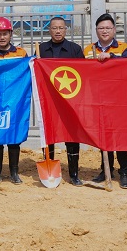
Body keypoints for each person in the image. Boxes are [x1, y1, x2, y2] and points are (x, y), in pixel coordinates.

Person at [83, 13, 127, 188]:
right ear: (96, 30)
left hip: (119, 100)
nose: (104, 31)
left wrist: (112, 57)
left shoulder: (124, 48)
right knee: (103, 136)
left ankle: (125, 172)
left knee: (121, 136)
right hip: (97, 100)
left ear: (114, 30)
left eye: (108, 28)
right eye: (101, 28)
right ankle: (106, 169)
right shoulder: (88, 50)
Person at [38, 16, 85, 186]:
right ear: (49, 30)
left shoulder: (75, 49)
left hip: (69, 101)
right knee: (48, 134)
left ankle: (74, 173)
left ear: (66, 29)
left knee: (71, 135)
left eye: (61, 28)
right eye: (54, 28)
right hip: (48, 101)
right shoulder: (41, 49)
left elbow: (84, 73)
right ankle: (49, 168)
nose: (58, 31)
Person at [0, 17, 28, 184]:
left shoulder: (21, 54)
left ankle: (14, 172)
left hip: (16, 101)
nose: (2, 37)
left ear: (10, 34)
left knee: (14, 137)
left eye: (5, 34)